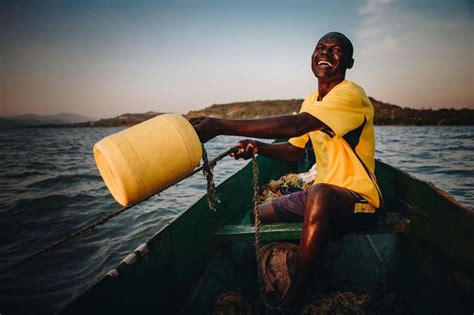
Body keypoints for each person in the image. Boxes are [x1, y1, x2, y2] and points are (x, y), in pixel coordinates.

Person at [191, 32, 382, 305]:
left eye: (336, 50)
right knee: (261, 213)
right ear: (312, 57)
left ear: (349, 62)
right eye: (320, 48)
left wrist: (220, 126)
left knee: (320, 195)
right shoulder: (312, 100)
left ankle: (296, 295)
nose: (325, 54)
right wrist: (257, 147)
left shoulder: (351, 94)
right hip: (319, 194)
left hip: (356, 199)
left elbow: (296, 126)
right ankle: (316, 253)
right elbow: (294, 148)